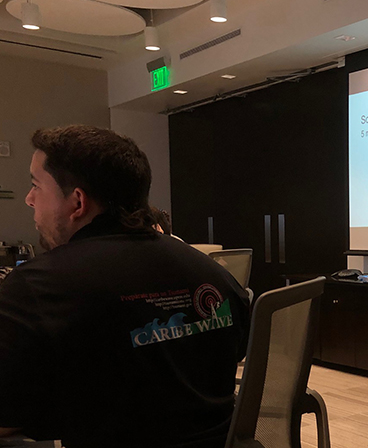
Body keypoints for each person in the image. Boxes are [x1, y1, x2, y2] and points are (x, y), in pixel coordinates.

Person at [0, 125, 250, 447]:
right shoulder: (214, 274)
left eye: (36, 186)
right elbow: (234, 356)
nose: (29, 199)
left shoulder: (37, 287)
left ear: (77, 202)